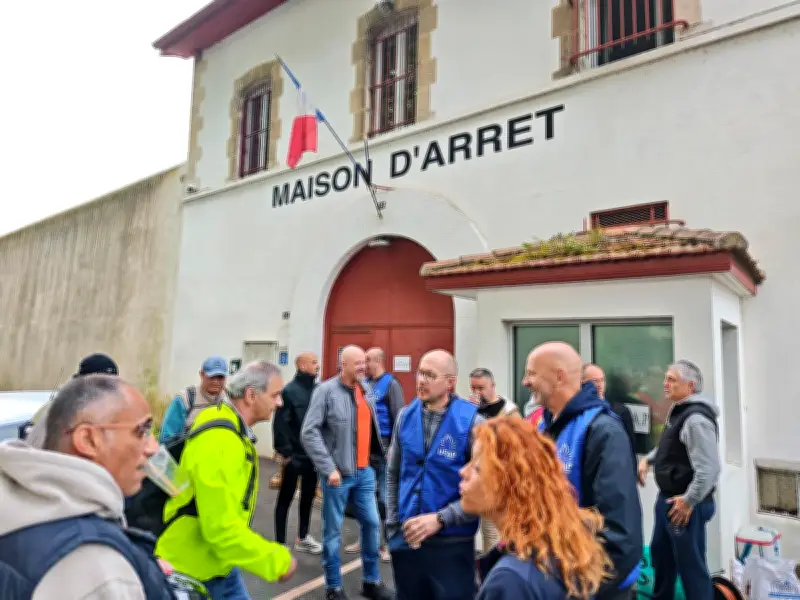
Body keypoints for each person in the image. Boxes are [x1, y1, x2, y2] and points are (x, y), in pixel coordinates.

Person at [0, 374, 175, 599]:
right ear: (88, 440)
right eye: (142, 431)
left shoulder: (20, 513)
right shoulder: (94, 565)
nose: (152, 447)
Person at [156, 360, 297, 598]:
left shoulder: (227, 425)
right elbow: (220, 529)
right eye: (275, 395)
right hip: (191, 571)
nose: (280, 403)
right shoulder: (221, 440)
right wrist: (276, 561)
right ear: (251, 395)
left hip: (217, 564)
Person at [524, 342, 642, 600]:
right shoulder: (546, 427)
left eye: (532, 373)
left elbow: (619, 533)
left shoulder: (603, 431)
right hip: (560, 579)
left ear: (559, 377)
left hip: (593, 589)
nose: (525, 382)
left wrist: (581, 589)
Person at [460, 418, 612, 600]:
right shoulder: (560, 554)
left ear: (508, 486)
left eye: (477, 468)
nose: (463, 472)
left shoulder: (511, 582)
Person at [387, 350, 484, 600]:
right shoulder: (404, 417)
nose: (421, 380)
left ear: (450, 382)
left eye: (430, 375)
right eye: (420, 373)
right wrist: (393, 526)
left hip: (452, 544)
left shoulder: (473, 423)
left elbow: (484, 491)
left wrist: (441, 519)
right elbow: (393, 474)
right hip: (408, 542)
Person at [301, 345, 394, 600]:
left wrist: (381, 453)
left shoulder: (365, 389)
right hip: (337, 476)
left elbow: (370, 427)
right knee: (332, 532)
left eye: (365, 362)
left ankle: (371, 582)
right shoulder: (325, 392)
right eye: (358, 364)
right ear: (344, 365)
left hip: (365, 473)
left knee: (373, 524)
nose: (364, 367)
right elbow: (309, 432)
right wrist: (328, 467)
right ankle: (333, 587)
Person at [637, 360, 720, 600]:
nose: (665, 384)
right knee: (661, 555)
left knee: (691, 567)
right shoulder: (679, 410)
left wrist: (688, 501)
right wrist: (648, 460)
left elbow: (709, 469)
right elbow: (668, 446)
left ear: (690, 385)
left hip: (685, 507)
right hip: (670, 501)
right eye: (666, 378)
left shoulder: (696, 420)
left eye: (672, 379)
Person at [345, 346, 404, 561]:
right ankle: (368, 540)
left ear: (377, 361)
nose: (363, 365)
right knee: (364, 499)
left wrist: (395, 450)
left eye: (366, 360)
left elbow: (399, 419)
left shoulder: (391, 384)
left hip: (385, 450)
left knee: (385, 499)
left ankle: (389, 544)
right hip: (365, 452)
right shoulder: (365, 384)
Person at [273, 351, 323, 554]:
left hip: (313, 457)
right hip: (294, 456)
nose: (317, 365)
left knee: (308, 497)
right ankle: (279, 543)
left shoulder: (319, 391)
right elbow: (280, 424)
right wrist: (286, 453)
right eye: (313, 362)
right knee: (285, 497)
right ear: (301, 366)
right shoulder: (289, 391)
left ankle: (303, 537)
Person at [468, 367, 518, 552]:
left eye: (481, 388)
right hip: (475, 476)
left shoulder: (509, 411)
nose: (476, 393)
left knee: (492, 530)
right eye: (473, 388)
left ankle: (493, 571)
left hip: (497, 478)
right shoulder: (471, 411)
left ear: (493, 385)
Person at [23, 352, 120, 448]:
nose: (107, 392)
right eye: (101, 385)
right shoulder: (60, 410)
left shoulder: (112, 413)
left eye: (111, 385)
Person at [159, 355, 228, 442]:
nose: (216, 381)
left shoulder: (229, 399)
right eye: (212, 377)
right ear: (202, 374)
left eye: (220, 377)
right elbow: (167, 438)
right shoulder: (185, 399)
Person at [582, 363, 636, 453]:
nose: (599, 385)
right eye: (594, 381)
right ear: (582, 382)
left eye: (602, 380)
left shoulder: (621, 412)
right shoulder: (577, 411)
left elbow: (630, 448)